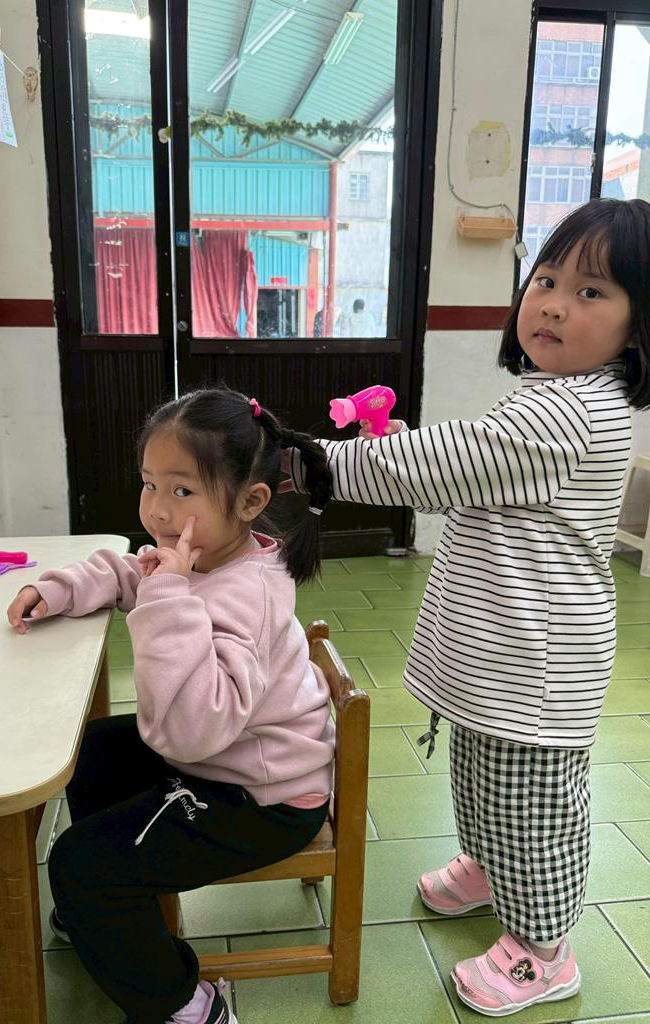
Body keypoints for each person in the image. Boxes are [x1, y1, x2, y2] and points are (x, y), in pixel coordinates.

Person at [285, 198, 650, 1016]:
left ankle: (545, 950)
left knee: (534, 809)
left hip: (536, 666)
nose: (554, 303)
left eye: (592, 292)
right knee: (483, 780)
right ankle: (491, 870)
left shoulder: (571, 409)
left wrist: (313, 462)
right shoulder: (554, 398)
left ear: (640, 326)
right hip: (500, 653)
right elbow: (466, 470)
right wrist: (400, 454)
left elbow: (442, 465)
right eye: (546, 280)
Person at [6, 388, 335, 1024]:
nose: (157, 508)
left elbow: (190, 732)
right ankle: (120, 901)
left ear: (250, 502)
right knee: (94, 750)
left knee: (77, 865)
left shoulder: (246, 596)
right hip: (228, 758)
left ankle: (186, 1004)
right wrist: (58, 590)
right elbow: (131, 572)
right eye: (150, 483)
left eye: (182, 490)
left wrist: (166, 598)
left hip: (260, 800)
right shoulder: (208, 554)